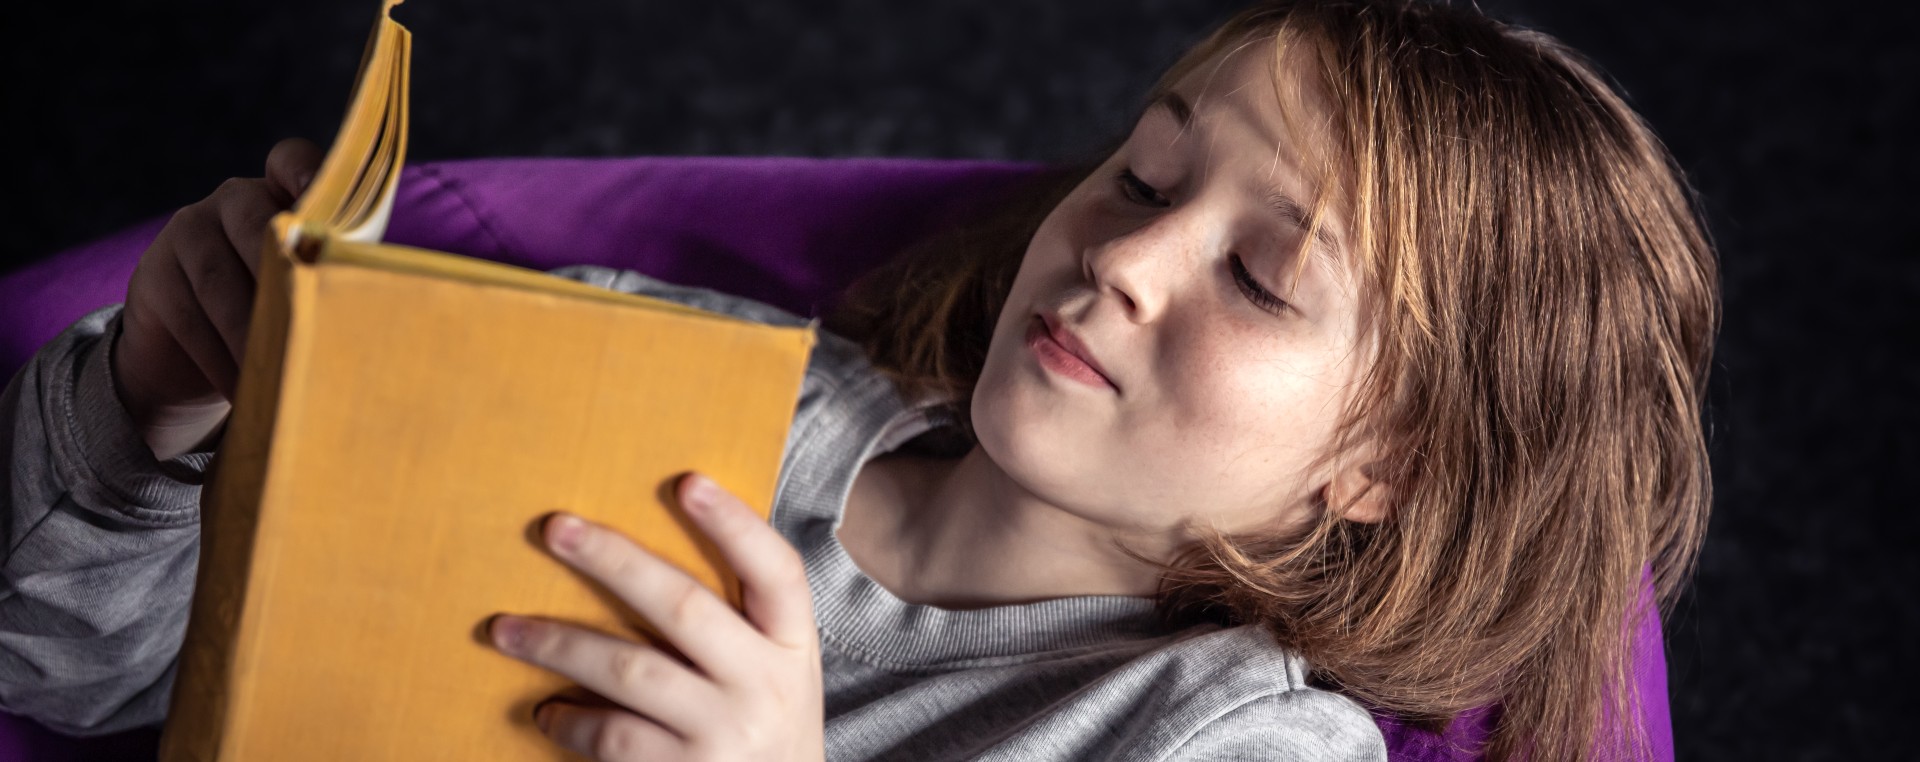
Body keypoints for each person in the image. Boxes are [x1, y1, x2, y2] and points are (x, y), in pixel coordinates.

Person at [1, 0, 1717, 759]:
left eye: (1263, 277)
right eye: (1139, 172)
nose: (1123, 254)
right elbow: (87, 689)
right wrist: (152, 415)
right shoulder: (668, 383)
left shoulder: (1230, 738)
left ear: (1389, 467)